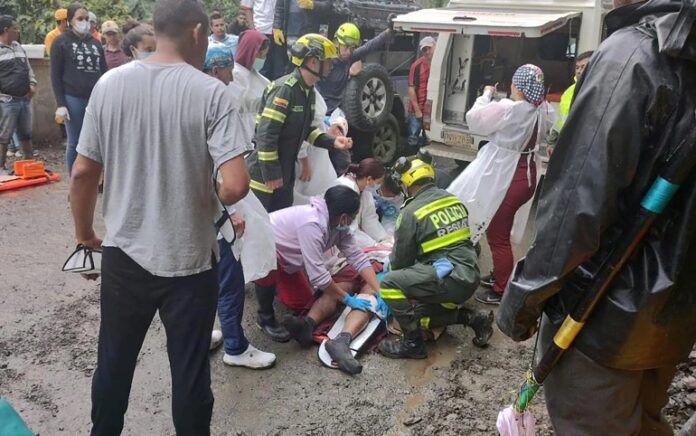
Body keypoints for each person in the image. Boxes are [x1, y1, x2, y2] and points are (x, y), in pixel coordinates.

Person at [497, 0, 696, 434]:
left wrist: (522, 301)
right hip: (670, 325)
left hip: (601, 320)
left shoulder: (634, 55)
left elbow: (576, 206)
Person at [69, 0, 250, 433]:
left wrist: (85, 236)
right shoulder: (211, 92)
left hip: (124, 256)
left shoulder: (110, 85)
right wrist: (209, 192)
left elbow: (82, 172)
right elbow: (236, 185)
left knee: (113, 362)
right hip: (189, 261)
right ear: (197, 33)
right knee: (189, 373)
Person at [447, 64, 554, 305]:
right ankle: (499, 273)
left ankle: (501, 288)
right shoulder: (543, 109)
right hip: (527, 174)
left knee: (497, 234)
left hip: (507, 175)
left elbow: (474, 120)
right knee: (499, 229)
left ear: (518, 86)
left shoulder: (509, 108)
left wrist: (486, 95)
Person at [202, 43, 276, 368]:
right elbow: (222, 168)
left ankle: (201, 334)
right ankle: (234, 345)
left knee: (199, 278)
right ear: (217, 68)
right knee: (228, 275)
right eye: (229, 67)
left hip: (192, 207)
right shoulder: (217, 101)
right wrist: (229, 212)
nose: (233, 73)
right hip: (217, 206)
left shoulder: (185, 96)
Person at [377, 152, 493, 359]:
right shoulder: (452, 200)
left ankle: (412, 344)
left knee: (389, 284)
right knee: (418, 317)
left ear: (406, 183)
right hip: (469, 276)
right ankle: (474, 318)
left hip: (449, 281)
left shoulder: (410, 212)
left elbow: (400, 263)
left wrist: (394, 273)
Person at [255, 186, 381, 359]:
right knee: (267, 270)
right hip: (265, 246)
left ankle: (283, 294)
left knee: (301, 302)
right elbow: (319, 277)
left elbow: (357, 257)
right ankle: (265, 316)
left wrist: (380, 289)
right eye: (352, 217)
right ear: (344, 216)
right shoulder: (312, 223)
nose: (352, 221)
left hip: (289, 258)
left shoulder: (338, 227)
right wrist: (347, 298)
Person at [246, 33, 352, 213]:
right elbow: (266, 135)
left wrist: (331, 141)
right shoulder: (285, 90)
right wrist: (271, 174)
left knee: (279, 230)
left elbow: (305, 129)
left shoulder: (308, 91)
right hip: (264, 178)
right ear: (312, 62)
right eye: (327, 61)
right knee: (259, 230)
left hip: (285, 177)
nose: (330, 65)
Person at [50, 3, 106, 176]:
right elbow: (55, 75)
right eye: (80, 19)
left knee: (98, 141)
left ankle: (95, 179)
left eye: (87, 19)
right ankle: (75, 180)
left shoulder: (96, 43)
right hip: (73, 98)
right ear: (69, 20)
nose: (84, 22)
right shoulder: (60, 42)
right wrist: (61, 103)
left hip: (95, 97)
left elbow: (103, 71)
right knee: (75, 142)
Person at [317, 23, 392, 115]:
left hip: (338, 115)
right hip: (321, 113)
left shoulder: (350, 58)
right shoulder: (325, 62)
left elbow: (369, 46)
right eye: (346, 46)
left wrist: (389, 31)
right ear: (337, 43)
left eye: (352, 48)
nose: (349, 52)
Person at [0, 15, 36, 174]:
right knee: (4, 135)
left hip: (24, 99)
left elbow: (28, 69)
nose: (17, 31)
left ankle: (29, 165)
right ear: (6, 30)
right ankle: (0, 168)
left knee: (26, 133)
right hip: (7, 101)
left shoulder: (19, 47)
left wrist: (32, 83)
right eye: (15, 28)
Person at [331, 158, 390, 247]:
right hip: (334, 239)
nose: (378, 187)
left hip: (349, 237)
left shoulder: (365, 191)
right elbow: (350, 231)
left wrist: (384, 239)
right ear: (369, 179)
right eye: (378, 182)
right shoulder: (346, 189)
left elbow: (369, 219)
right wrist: (374, 246)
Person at [547, 50, 593, 153]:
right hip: (566, 146)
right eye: (577, 67)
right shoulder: (569, 92)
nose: (579, 71)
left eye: (583, 67)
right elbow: (560, 120)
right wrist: (552, 142)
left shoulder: (600, 92)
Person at [230, 29, 269, 143]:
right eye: (261, 55)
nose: (263, 59)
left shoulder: (261, 80)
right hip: (238, 137)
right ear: (252, 52)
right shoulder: (232, 75)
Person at [240, 0, 287, 79]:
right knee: (260, 67)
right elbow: (247, 8)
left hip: (279, 30)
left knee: (279, 68)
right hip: (260, 30)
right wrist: (253, 30)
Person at [406, 36, 435, 147]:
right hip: (416, 109)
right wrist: (417, 110)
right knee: (413, 138)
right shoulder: (416, 66)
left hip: (431, 108)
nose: (427, 52)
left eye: (429, 48)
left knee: (428, 140)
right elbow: (411, 89)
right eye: (424, 49)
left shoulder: (440, 64)